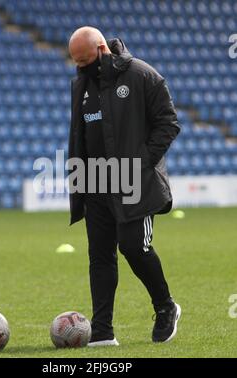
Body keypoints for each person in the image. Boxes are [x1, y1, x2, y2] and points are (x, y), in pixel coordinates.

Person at [68, 26, 181, 346]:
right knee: (99, 257)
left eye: (85, 60)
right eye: (75, 62)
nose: (80, 67)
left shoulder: (142, 75)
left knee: (134, 246)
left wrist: (142, 163)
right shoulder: (81, 83)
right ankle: (102, 332)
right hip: (94, 184)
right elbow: (80, 134)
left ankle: (166, 307)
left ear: (102, 49)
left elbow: (168, 123)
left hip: (134, 182)